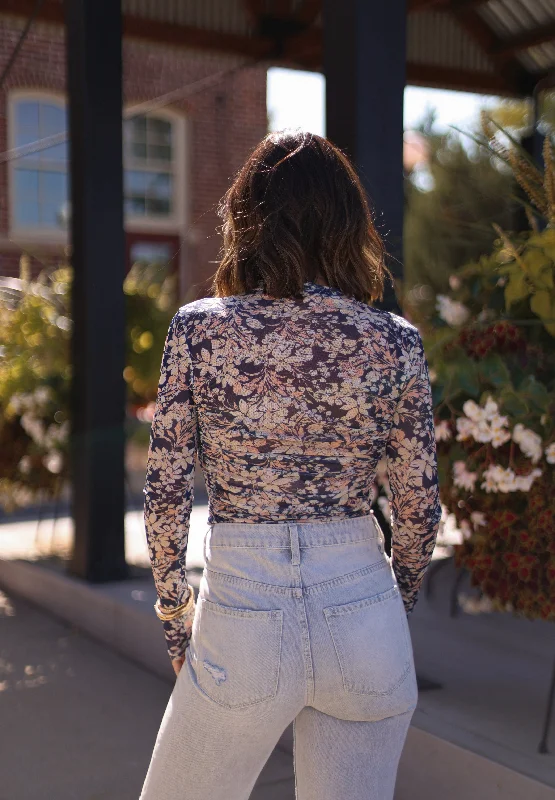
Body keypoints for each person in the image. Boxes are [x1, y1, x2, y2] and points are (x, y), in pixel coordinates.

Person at [139, 130, 442, 800]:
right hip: (365, 612)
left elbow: (164, 498)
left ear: (247, 221)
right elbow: (418, 503)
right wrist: (398, 600)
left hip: (244, 617)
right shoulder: (394, 342)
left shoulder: (201, 329)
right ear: (350, 224)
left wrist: (173, 612)